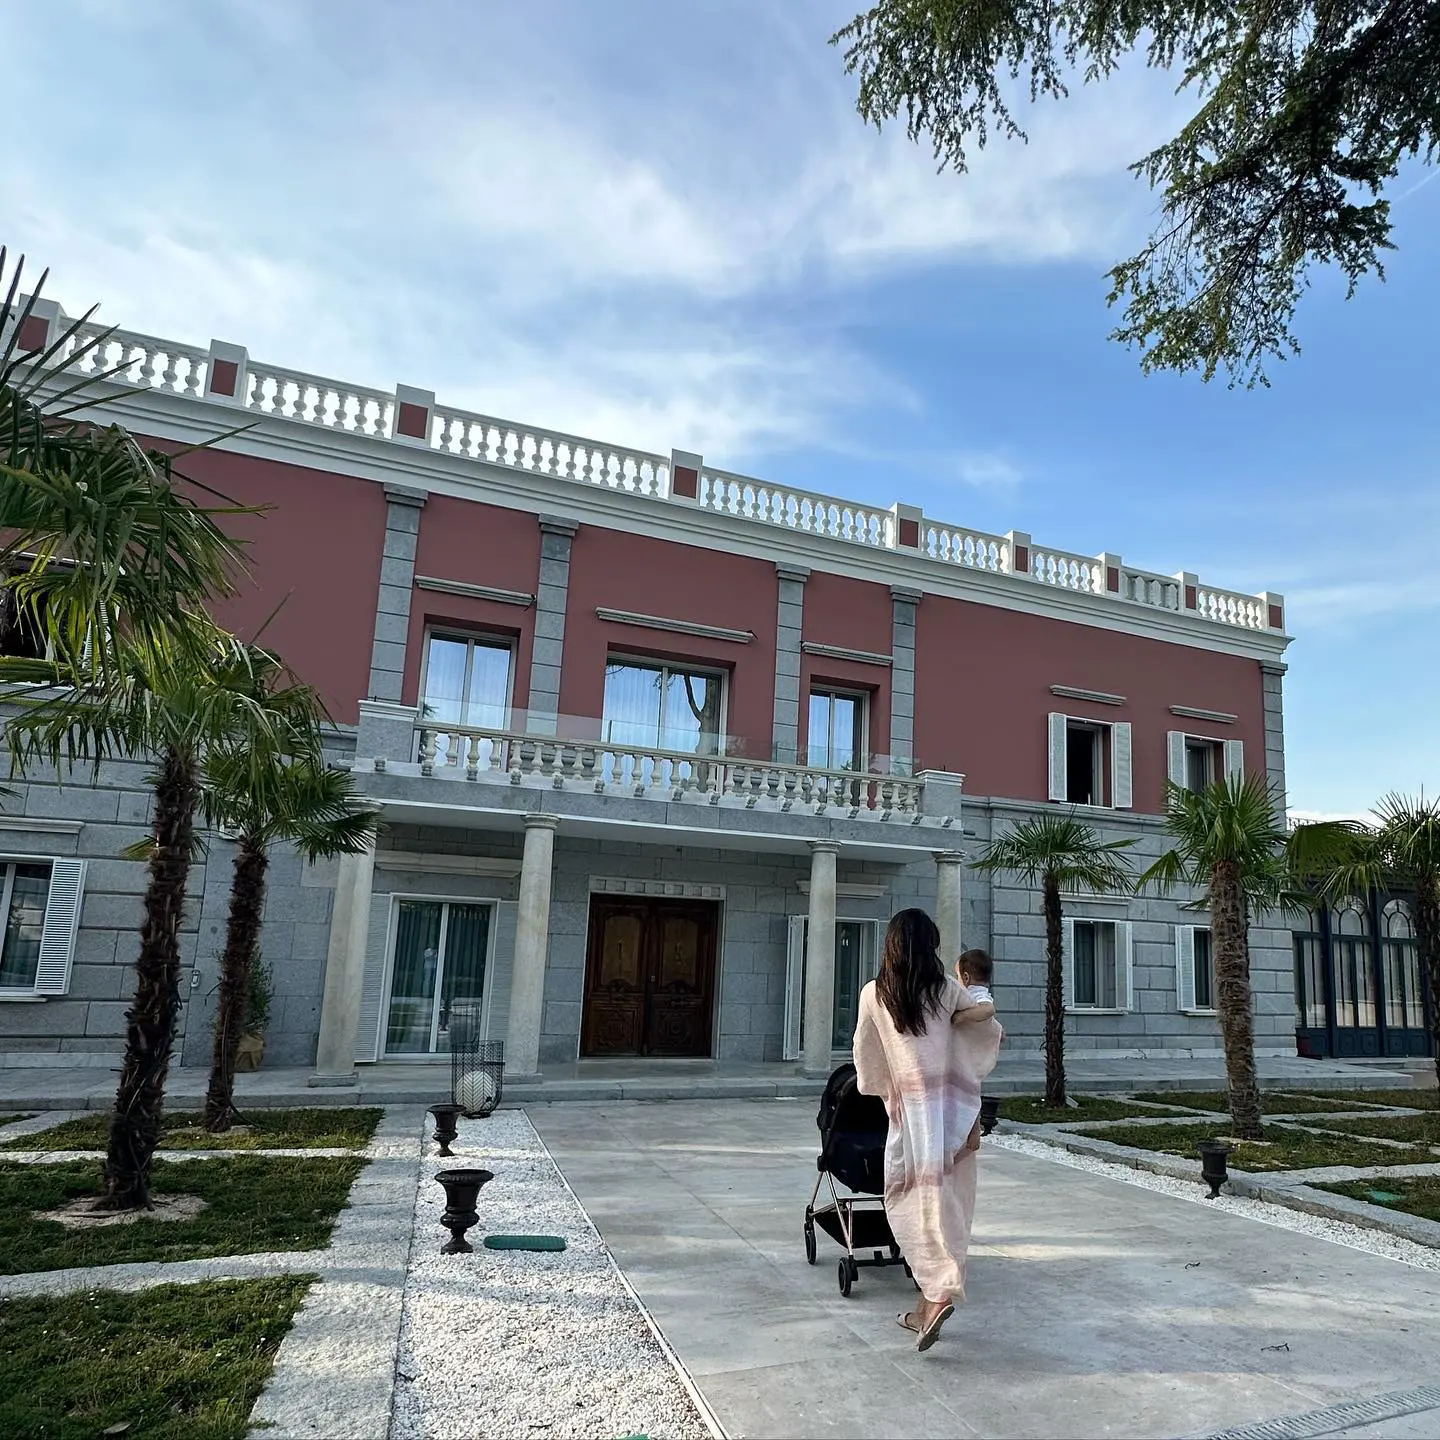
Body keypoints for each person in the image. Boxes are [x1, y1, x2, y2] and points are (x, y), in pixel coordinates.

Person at [852, 909, 1003, 1353]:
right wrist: (961, 1021)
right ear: (931, 947)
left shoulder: (874, 995)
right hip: (952, 1113)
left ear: (891, 946)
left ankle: (935, 1296)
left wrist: (885, 1089)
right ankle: (929, 1301)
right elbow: (988, 1020)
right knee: (949, 1199)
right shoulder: (945, 990)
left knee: (908, 1198)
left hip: (911, 1117)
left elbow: (867, 1060)